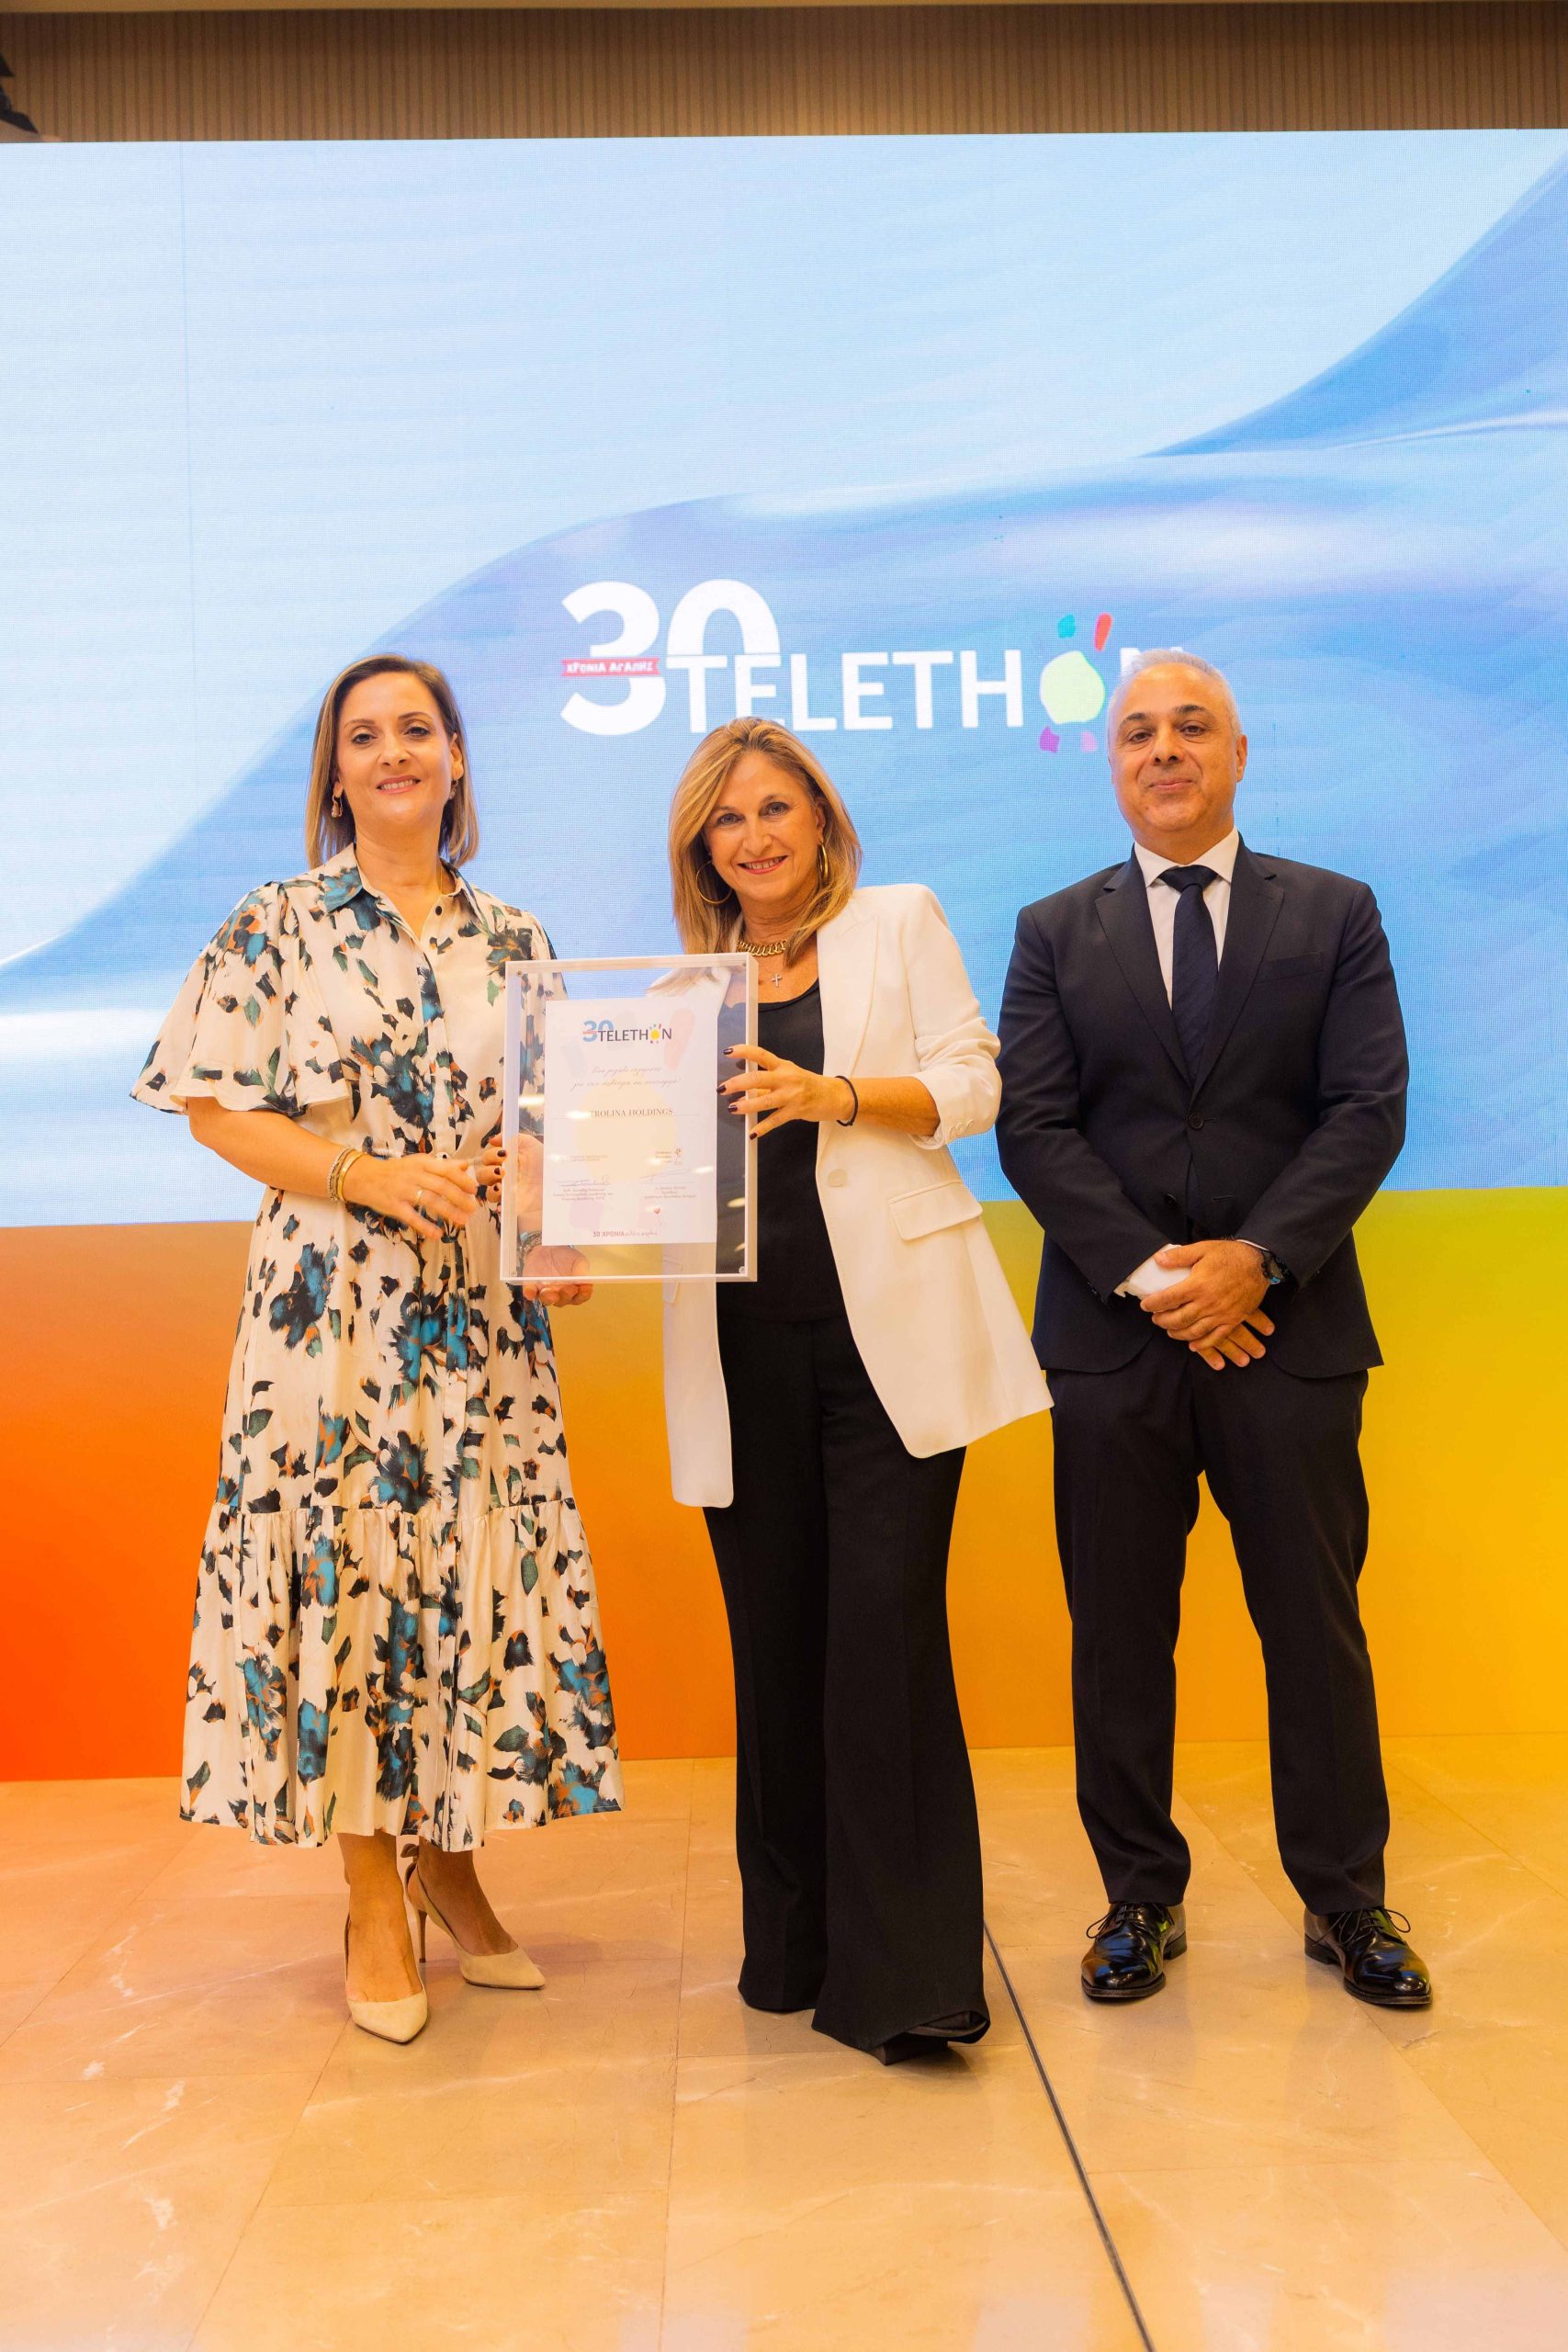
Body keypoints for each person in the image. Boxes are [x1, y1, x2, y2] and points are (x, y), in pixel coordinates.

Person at [134, 653, 622, 2044]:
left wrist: (562, 1230)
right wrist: (365, 1176)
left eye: (418, 729)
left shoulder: (517, 937)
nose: (395, 751)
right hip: (331, 1310)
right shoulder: (275, 921)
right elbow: (213, 1108)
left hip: (478, 1314)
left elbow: (554, 1128)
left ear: (457, 758)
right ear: (335, 774)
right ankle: (368, 1891)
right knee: (350, 1581)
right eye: (365, 735)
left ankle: (451, 1865)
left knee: (469, 1571)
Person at [996, 651, 1432, 2012]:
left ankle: (1348, 1901)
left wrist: (1256, 1262)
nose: (1165, 750)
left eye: (1192, 727)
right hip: (1115, 1344)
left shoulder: (1335, 912)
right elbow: (1034, 1129)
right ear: (1111, 763)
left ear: (1240, 752)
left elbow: (1367, 1109)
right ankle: (1139, 1895)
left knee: (1314, 1625)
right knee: (1119, 1634)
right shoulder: (1053, 930)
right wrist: (1158, 1280)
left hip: (1289, 1336)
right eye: (1138, 732)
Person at [662, 716, 1048, 2062]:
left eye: (776, 807)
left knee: (883, 1642)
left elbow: (975, 1085)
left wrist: (835, 1094)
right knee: (776, 1649)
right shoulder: (678, 990)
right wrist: (562, 1214)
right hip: (739, 1354)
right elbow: (637, 1165)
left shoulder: (900, 920)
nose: (755, 836)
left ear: (821, 818)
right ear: (702, 849)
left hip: (893, 1352)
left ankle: (912, 1981)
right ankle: (795, 1955)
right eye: (728, 819)